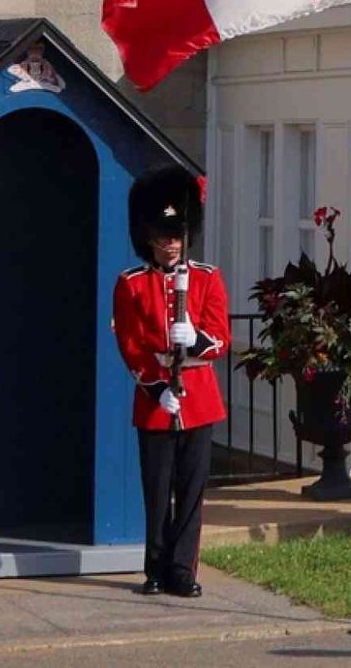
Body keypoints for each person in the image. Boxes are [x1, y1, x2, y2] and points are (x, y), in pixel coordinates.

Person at [112, 165, 230, 598]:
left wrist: (197, 340)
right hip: (156, 399)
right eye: (163, 239)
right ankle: (156, 568)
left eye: (176, 237)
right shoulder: (131, 284)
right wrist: (156, 389)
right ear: (150, 240)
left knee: (192, 494)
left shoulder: (206, 278)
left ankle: (183, 569)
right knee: (157, 493)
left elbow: (221, 338)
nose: (171, 245)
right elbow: (129, 343)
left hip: (198, 396)